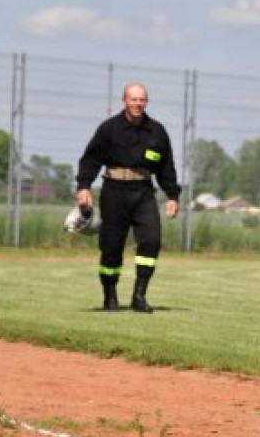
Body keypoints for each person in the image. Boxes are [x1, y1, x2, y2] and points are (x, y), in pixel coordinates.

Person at [76, 82, 181, 314]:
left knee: (152, 240)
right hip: (114, 191)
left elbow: (166, 167)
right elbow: (91, 159)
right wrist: (84, 186)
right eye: (133, 99)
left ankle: (139, 296)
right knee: (111, 247)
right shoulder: (109, 128)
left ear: (147, 102)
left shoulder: (157, 131)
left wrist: (172, 195)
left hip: (144, 192)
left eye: (142, 99)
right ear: (124, 100)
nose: (138, 104)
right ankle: (110, 297)